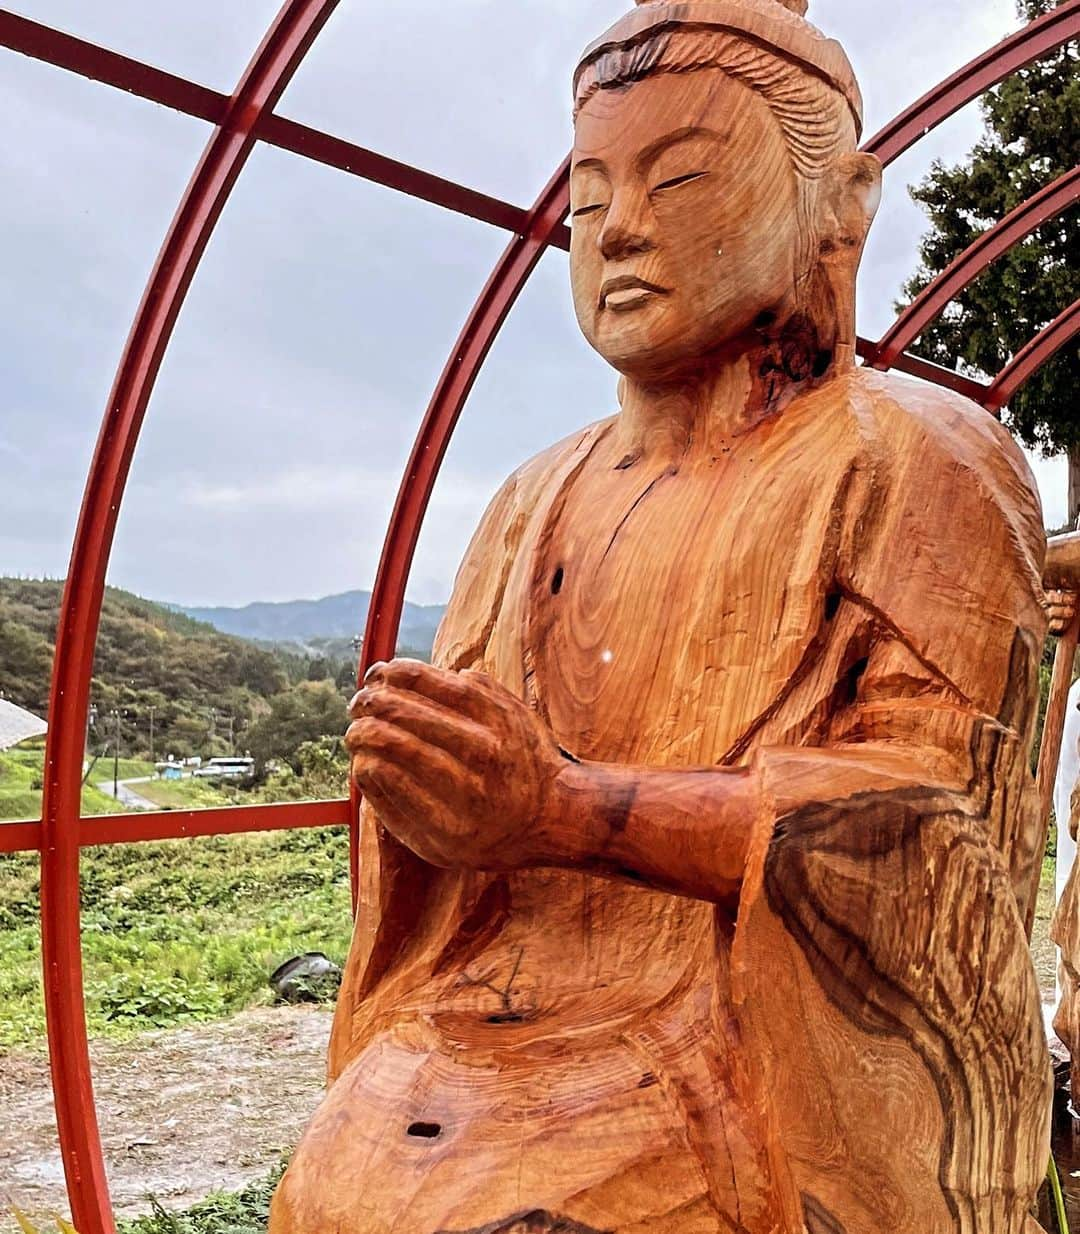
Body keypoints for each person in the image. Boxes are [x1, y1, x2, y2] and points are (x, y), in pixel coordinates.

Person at [270, 2, 1052, 1230]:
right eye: (587, 196)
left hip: (741, 1052)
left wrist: (566, 808)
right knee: (344, 1179)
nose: (619, 228)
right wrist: (430, 790)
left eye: (679, 180)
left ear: (840, 204)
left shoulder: (920, 460)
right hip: (506, 1019)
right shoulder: (531, 496)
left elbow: (928, 828)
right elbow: (466, 825)